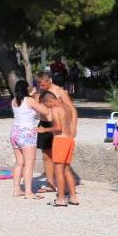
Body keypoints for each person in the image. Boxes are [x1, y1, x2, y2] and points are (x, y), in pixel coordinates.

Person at [36, 71, 79, 203]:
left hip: (59, 135)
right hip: (64, 137)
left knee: (59, 168)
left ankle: (61, 197)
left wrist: (73, 126)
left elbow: (71, 111)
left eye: (42, 84)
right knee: (60, 165)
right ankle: (70, 195)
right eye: (39, 84)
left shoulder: (58, 95)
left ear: (48, 80)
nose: (41, 86)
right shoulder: (61, 106)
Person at [9, 80, 51, 200]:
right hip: (26, 133)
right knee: (29, 164)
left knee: (19, 163)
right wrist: (39, 99)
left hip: (15, 132)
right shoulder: (30, 100)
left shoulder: (14, 101)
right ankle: (28, 192)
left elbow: (25, 103)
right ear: (26, 89)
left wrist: (32, 95)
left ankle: (17, 189)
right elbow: (45, 111)